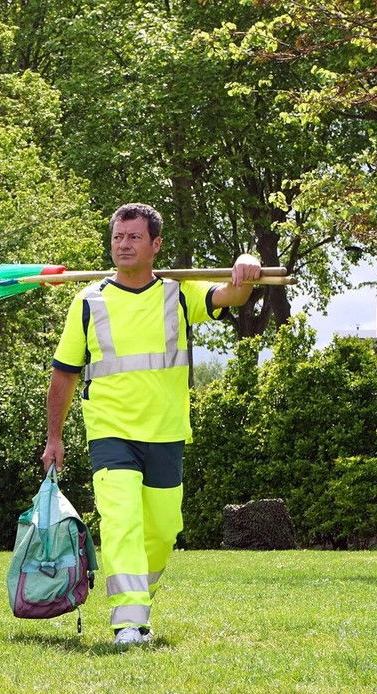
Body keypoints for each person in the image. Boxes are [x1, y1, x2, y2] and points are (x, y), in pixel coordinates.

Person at [40, 203, 260, 646]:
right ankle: (128, 622)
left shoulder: (179, 294)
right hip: (110, 431)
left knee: (162, 530)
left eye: (134, 237)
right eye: (118, 237)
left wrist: (245, 267)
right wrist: (55, 437)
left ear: (155, 245)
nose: (123, 244)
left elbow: (231, 297)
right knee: (121, 521)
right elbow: (64, 372)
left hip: (166, 433)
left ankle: (141, 598)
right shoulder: (88, 301)